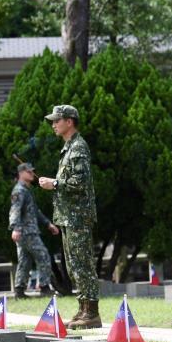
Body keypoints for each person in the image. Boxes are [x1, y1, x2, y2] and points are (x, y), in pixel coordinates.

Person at [38, 105, 101, 328]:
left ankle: (92, 313)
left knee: (82, 263)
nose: (53, 125)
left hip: (78, 217)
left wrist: (53, 183)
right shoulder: (69, 148)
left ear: (70, 121)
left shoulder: (78, 148)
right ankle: (83, 309)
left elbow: (79, 183)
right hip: (68, 216)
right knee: (74, 264)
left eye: (57, 120)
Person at [9, 162, 59, 300]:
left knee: (24, 261)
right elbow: (15, 210)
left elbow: (35, 211)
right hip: (25, 231)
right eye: (29, 172)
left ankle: (19, 291)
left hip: (27, 231)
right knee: (43, 255)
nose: (32, 174)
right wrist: (15, 228)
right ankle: (44, 287)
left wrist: (48, 224)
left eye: (32, 172)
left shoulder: (26, 190)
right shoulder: (19, 191)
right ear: (21, 173)